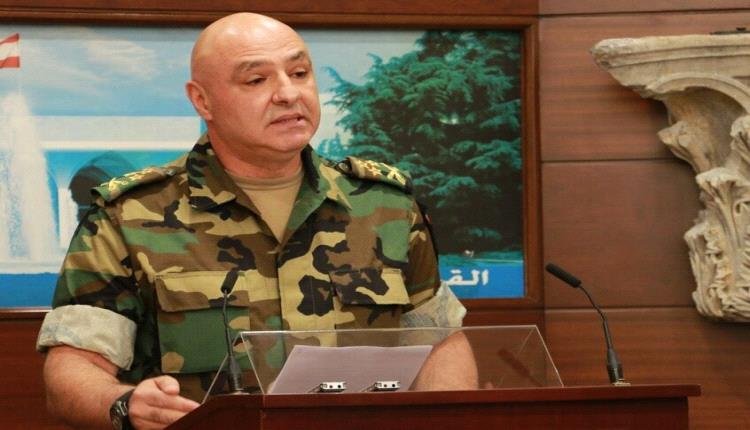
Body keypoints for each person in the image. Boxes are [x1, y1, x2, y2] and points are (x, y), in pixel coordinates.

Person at [36, 12, 469, 430]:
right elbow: (72, 368)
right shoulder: (128, 216)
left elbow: (441, 343)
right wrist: (125, 405)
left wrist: (447, 419)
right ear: (202, 101)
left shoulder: (386, 206)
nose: (288, 93)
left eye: (299, 73)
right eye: (256, 80)